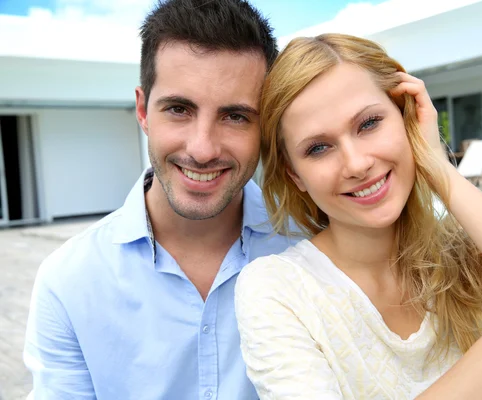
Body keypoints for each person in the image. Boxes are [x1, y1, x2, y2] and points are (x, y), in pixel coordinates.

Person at [234, 33, 482, 399]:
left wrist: (440, 172)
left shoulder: (461, 252)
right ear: (295, 175)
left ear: (406, 118)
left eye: (369, 124)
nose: (357, 164)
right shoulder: (277, 289)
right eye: (318, 148)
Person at [23, 1, 298, 398]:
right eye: (179, 109)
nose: (202, 149)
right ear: (142, 110)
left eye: (235, 116)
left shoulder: (314, 246)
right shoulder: (69, 281)